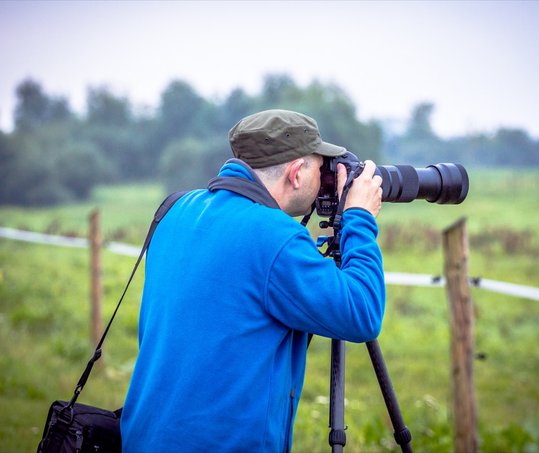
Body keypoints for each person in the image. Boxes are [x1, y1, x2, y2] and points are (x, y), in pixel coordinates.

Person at [120, 109, 386, 452]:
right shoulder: (275, 237)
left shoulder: (174, 211)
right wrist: (359, 218)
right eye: (321, 169)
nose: (326, 179)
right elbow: (361, 313)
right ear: (296, 173)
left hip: (144, 439)